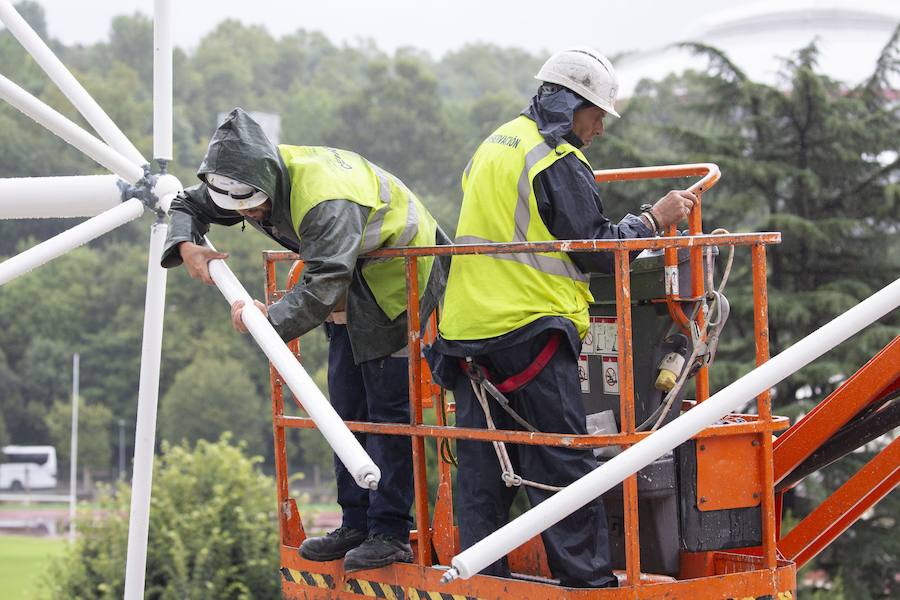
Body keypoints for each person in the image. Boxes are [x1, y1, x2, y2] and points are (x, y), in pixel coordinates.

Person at [428, 47, 697, 587]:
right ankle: (588, 585)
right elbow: (596, 251)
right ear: (572, 105)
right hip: (530, 327)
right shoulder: (556, 158)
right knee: (562, 464)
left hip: (465, 330)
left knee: (484, 468)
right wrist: (654, 219)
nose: (599, 130)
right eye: (597, 116)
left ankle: (481, 581)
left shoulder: (497, 142)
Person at [161, 108, 447, 572]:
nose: (247, 216)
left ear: (268, 182)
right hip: (351, 276)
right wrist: (184, 245)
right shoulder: (245, 179)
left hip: (400, 276)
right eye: (239, 211)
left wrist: (267, 320)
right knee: (345, 408)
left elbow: (324, 282)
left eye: (253, 208)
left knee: (386, 413)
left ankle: (390, 532)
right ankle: (356, 523)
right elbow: (184, 204)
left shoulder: (324, 200)